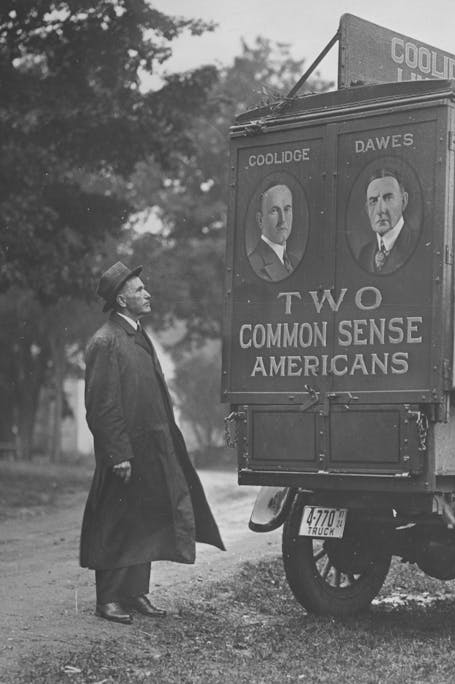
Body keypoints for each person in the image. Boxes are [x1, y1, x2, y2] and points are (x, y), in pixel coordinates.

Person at [80, 261, 224, 624]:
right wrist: (118, 454)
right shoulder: (105, 341)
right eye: (140, 290)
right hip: (125, 452)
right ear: (121, 299)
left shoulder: (136, 334)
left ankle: (134, 593)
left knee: (143, 519)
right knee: (116, 521)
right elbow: (101, 406)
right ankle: (109, 599)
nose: (148, 294)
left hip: (150, 445)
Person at [357, 168, 417, 274]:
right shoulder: (364, 253)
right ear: (367, 209)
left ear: (404, 201)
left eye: (388, 198)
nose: (380, 210)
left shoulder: (417, 246)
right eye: (373, 201)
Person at [248, 182, 301, 281]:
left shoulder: (295, 261)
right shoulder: (254, 265)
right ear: (260, 220)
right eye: (274, 210)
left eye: (287, 209)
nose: (283, 220)